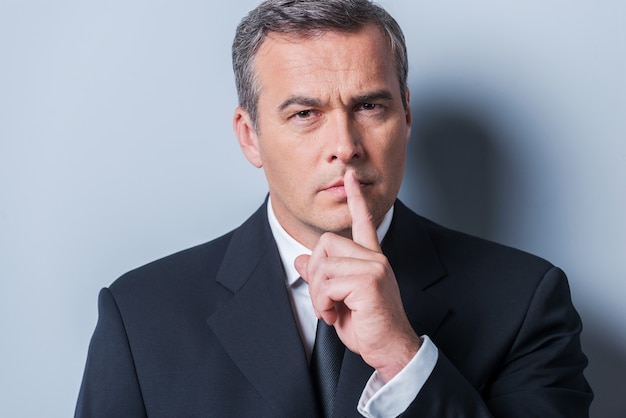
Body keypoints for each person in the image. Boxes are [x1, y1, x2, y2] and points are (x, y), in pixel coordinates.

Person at [75, 1, 593, 417]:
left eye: (369, 106)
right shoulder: (140, 315)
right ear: (250, 137)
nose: (345, 145)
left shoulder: (526, 301)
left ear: (406, 115)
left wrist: (402, 357)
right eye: (305, 113)